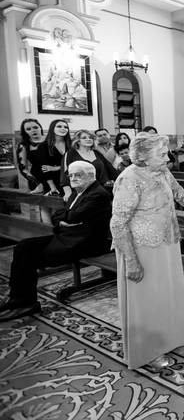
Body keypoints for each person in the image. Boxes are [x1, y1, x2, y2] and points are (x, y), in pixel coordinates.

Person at [110, 132, 184, 369]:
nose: (168, 158)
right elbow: (118, 223)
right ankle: (149, 352)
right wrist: (131, 261)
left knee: (167, 293)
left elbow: (177, 191)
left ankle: (170, 338)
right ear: (142, 157)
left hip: (166, 241)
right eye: (161, 154)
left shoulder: (161, 170)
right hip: (142, 249)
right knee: (148, 299)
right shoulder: (129, 179)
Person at [0, 161, 112, 322]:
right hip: (68, 236)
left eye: (78, 175)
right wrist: (64, 220)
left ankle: (25, 303)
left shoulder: (98, 194)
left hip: (87, 243)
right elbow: (59, 216)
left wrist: (66, 218)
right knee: (23, 246)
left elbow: (72, 216)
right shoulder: (78, 192)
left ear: (91, 175)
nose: (73, 178)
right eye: (70, 175)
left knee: (28, 258)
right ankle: (16, 298)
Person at [61, 129, 119, 201]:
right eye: (84, 138)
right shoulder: (70, 154)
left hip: (101, 191)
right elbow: (65, 174)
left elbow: (111, 170)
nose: (88, 139)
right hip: (81, 192)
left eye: (90, 138)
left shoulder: (97, 153)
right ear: (78, 141)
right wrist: (67, 192)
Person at [34, 119, 71, 196]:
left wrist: (57, 168)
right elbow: (44, 169)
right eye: (59, 126)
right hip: (53, 182)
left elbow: (76, 163)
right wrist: (52, 187)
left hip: (71, 180)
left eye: (66, 127)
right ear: (52, 128)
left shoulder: (72, 144)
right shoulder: (43, 146)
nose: (63, 128)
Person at [16, 118, 46, 193]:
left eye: (35, 127)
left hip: (57, 176)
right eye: (28, 129)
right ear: (25, 132)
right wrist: (38, 183)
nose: (33, 130)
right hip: (37, 178)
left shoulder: (51, 139)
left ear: (40, 128)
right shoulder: (23, 145)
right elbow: (23, 169)